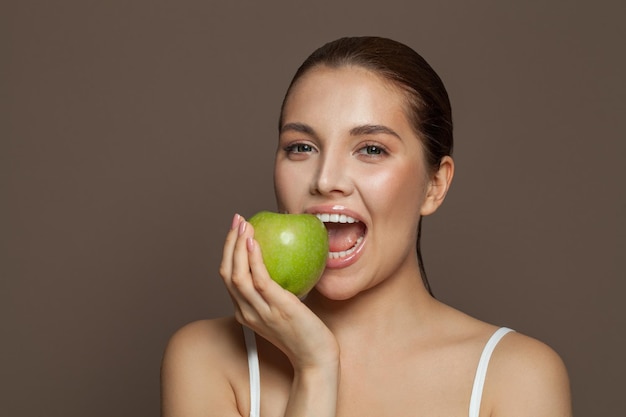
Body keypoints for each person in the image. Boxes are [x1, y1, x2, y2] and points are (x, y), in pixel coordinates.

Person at [160, 36, 571, 417]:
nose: (325, 179)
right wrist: (315, 368)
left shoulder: (518, 377)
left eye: (371, 149)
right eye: (301, 147)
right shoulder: (206, 359)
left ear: (434, 185)